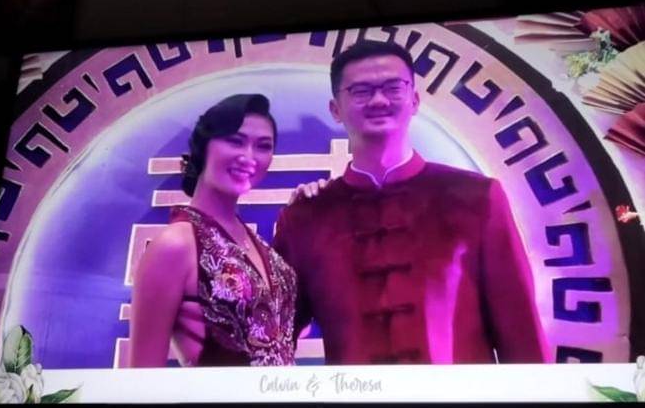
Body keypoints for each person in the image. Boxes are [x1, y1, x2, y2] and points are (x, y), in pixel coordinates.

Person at [273, 40, 549, 365]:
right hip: (353, 398)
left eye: (393, 88)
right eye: (360, 91)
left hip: (465, 398)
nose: (378, 100)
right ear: (336, 109)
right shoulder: (306, 216)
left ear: (414, 100)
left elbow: (522, 335)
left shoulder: (477, 197)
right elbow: (274, 336)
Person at [130, 94, 296, 368]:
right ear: (204, 145)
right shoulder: (175, 245)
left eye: (263, 146)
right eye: (235, 141)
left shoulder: (256, 244)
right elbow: (139, 376)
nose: (249, 157)